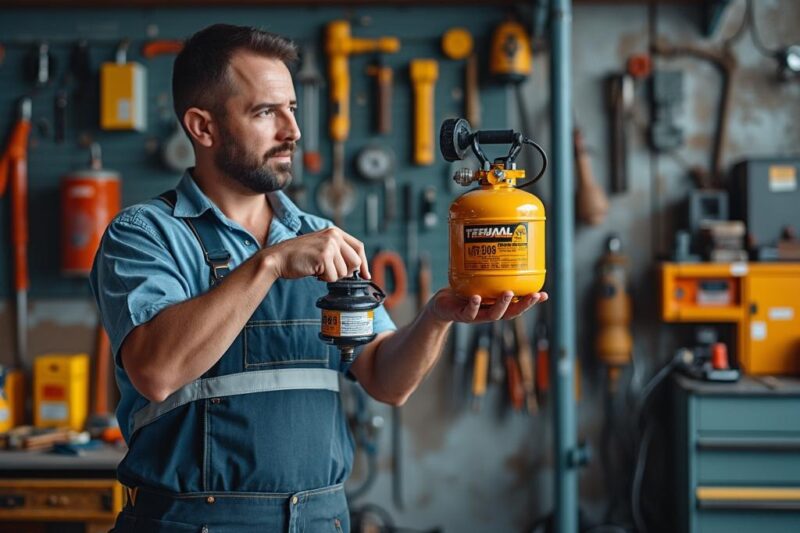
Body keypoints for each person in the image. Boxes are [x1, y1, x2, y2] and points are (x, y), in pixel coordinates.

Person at [90, 23, 548, 533]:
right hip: (189, 523)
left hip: (319, 520)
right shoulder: (146, 234)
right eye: (266, 112)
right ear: (203, 127)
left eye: (293, 109)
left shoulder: (320, 237)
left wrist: (437, 316)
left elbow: (384, 379)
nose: (293, 131)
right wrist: (268, 264)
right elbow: (157, 372)